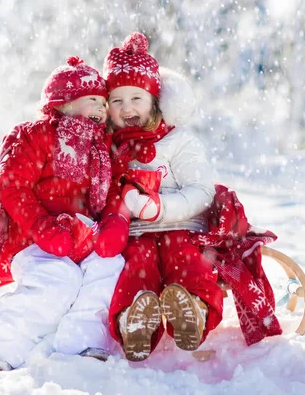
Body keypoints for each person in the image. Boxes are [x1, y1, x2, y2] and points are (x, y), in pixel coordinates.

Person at [0, 56, 126, 370]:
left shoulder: (102, 147)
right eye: (93, 100)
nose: (101, 108)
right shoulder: (36, 134)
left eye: (103, 102)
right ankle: (0, 349)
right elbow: (13, 185)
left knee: (109, 265)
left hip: (83, 237)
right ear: (65, 102)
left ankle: (83, 341)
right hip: (36, 240)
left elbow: (110, 194)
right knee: (59, 278)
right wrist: (41, 226)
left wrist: (112, 222)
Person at [94, 32, 225, 362]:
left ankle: (193, 311)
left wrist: (163, 209)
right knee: (137, 267)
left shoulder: (178, 141)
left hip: (182, 225)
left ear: (154, 99)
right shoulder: (109, 146)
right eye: (117, 101)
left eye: (136, 98)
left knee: (189, 261)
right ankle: (134, 320)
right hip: (136, 233)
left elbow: (202, 189)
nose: (127, 109)